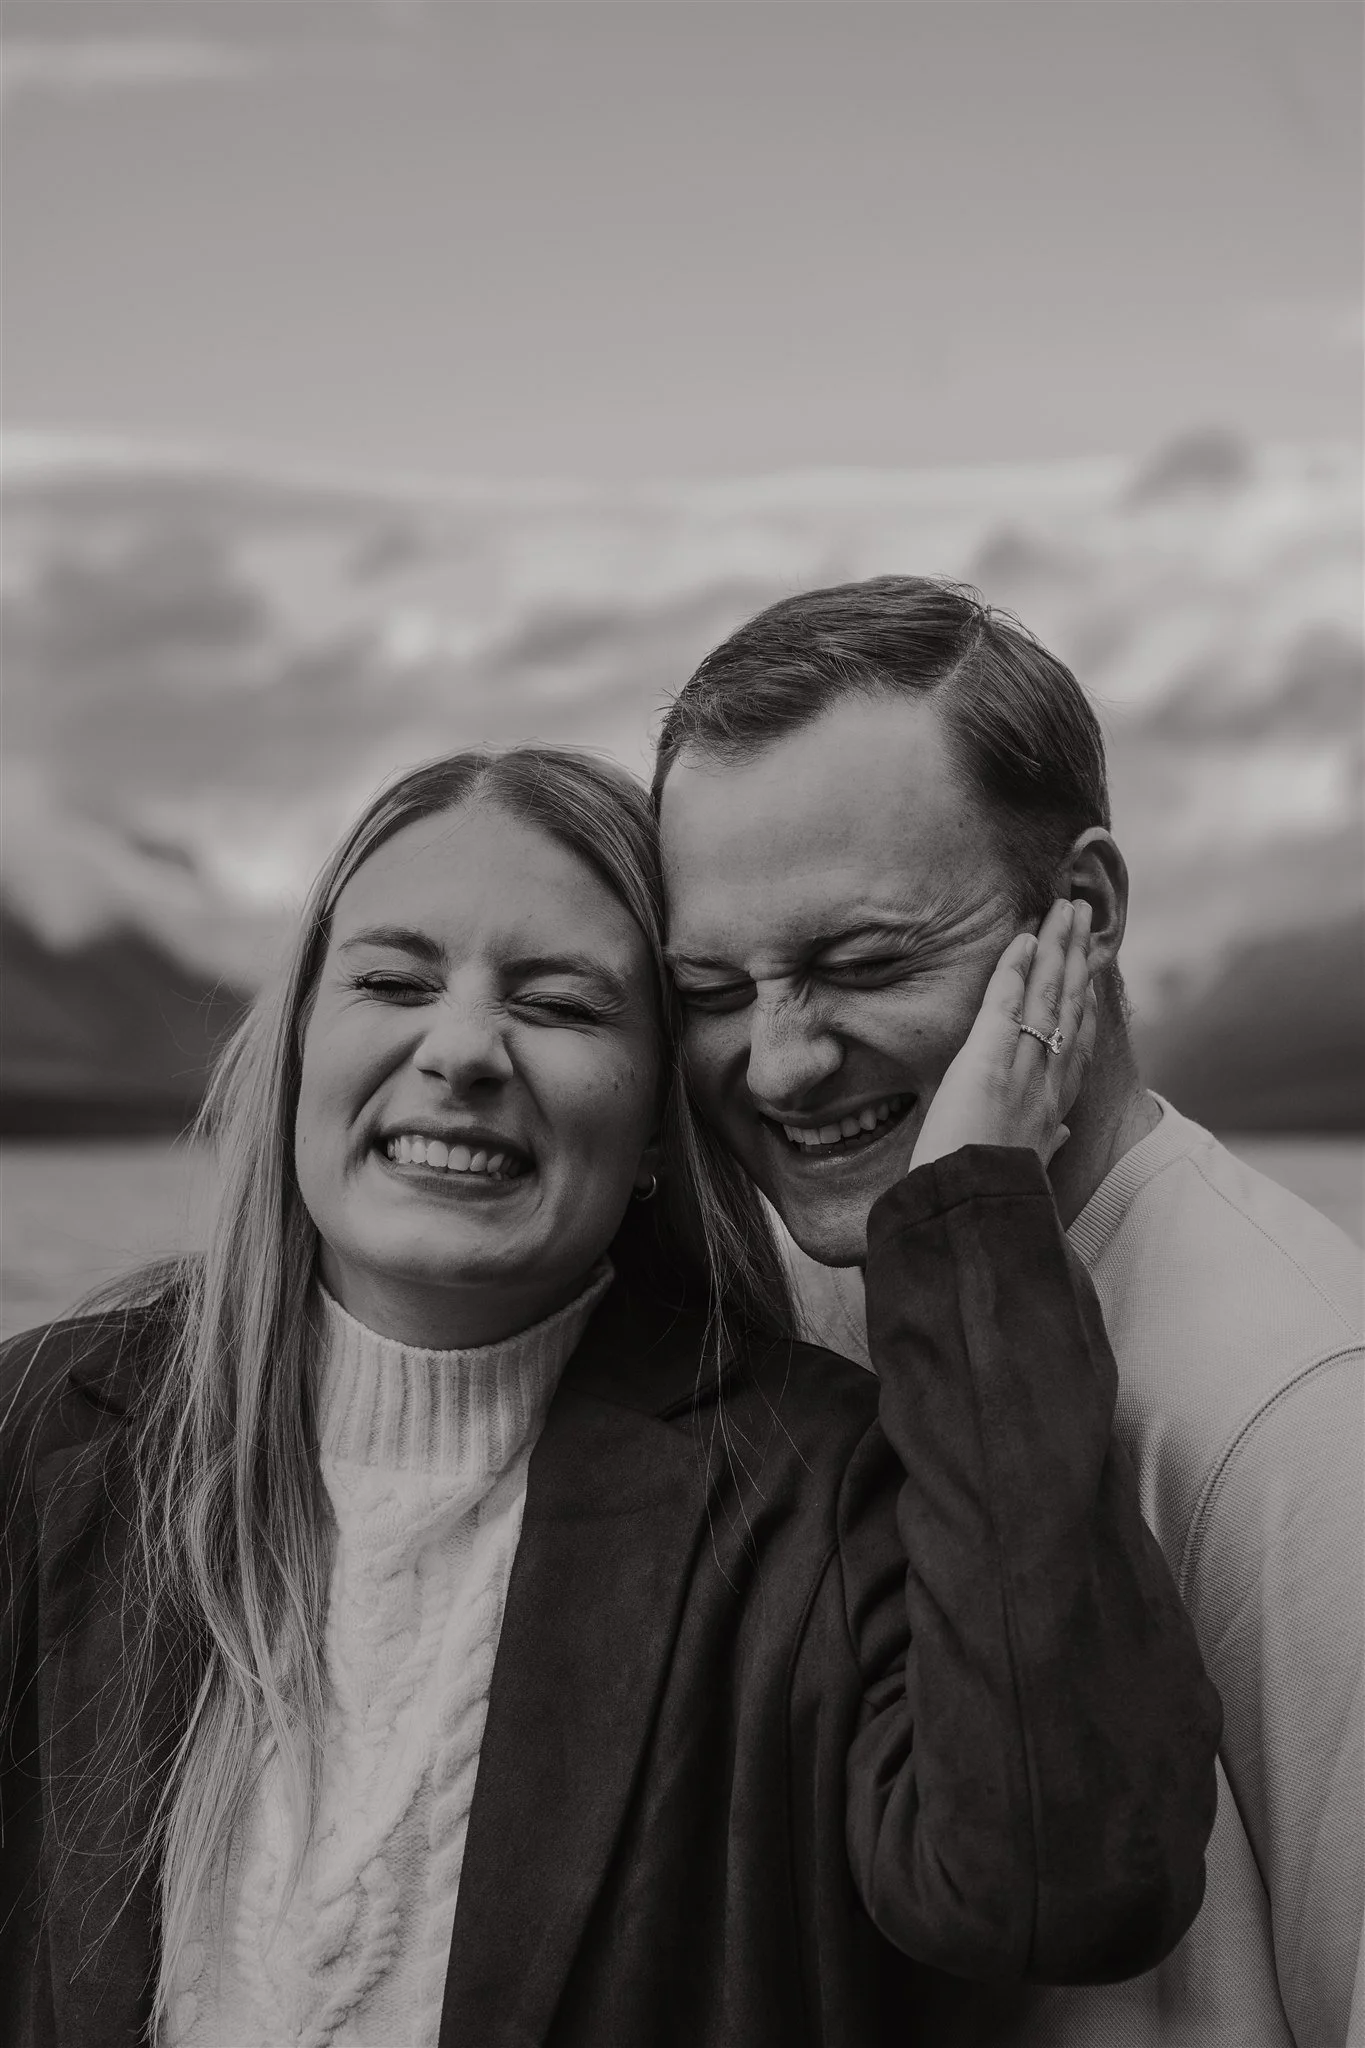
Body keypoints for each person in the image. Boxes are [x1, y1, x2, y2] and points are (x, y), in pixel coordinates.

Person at [0, 743, 1218, 2048]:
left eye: (563, 1006)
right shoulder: (54, 1435)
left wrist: (974, 1218)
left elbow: (1065, 1885)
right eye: (395, 981)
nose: (461, 1049)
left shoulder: (814, 1500)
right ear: (300, 1043)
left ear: (654, 1129)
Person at [654, 577, 1364, 2048]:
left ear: (1084, 913)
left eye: (865, 965)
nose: (780, 1068)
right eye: (715, 987)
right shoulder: (788, 1307)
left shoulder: (1306, 1408)